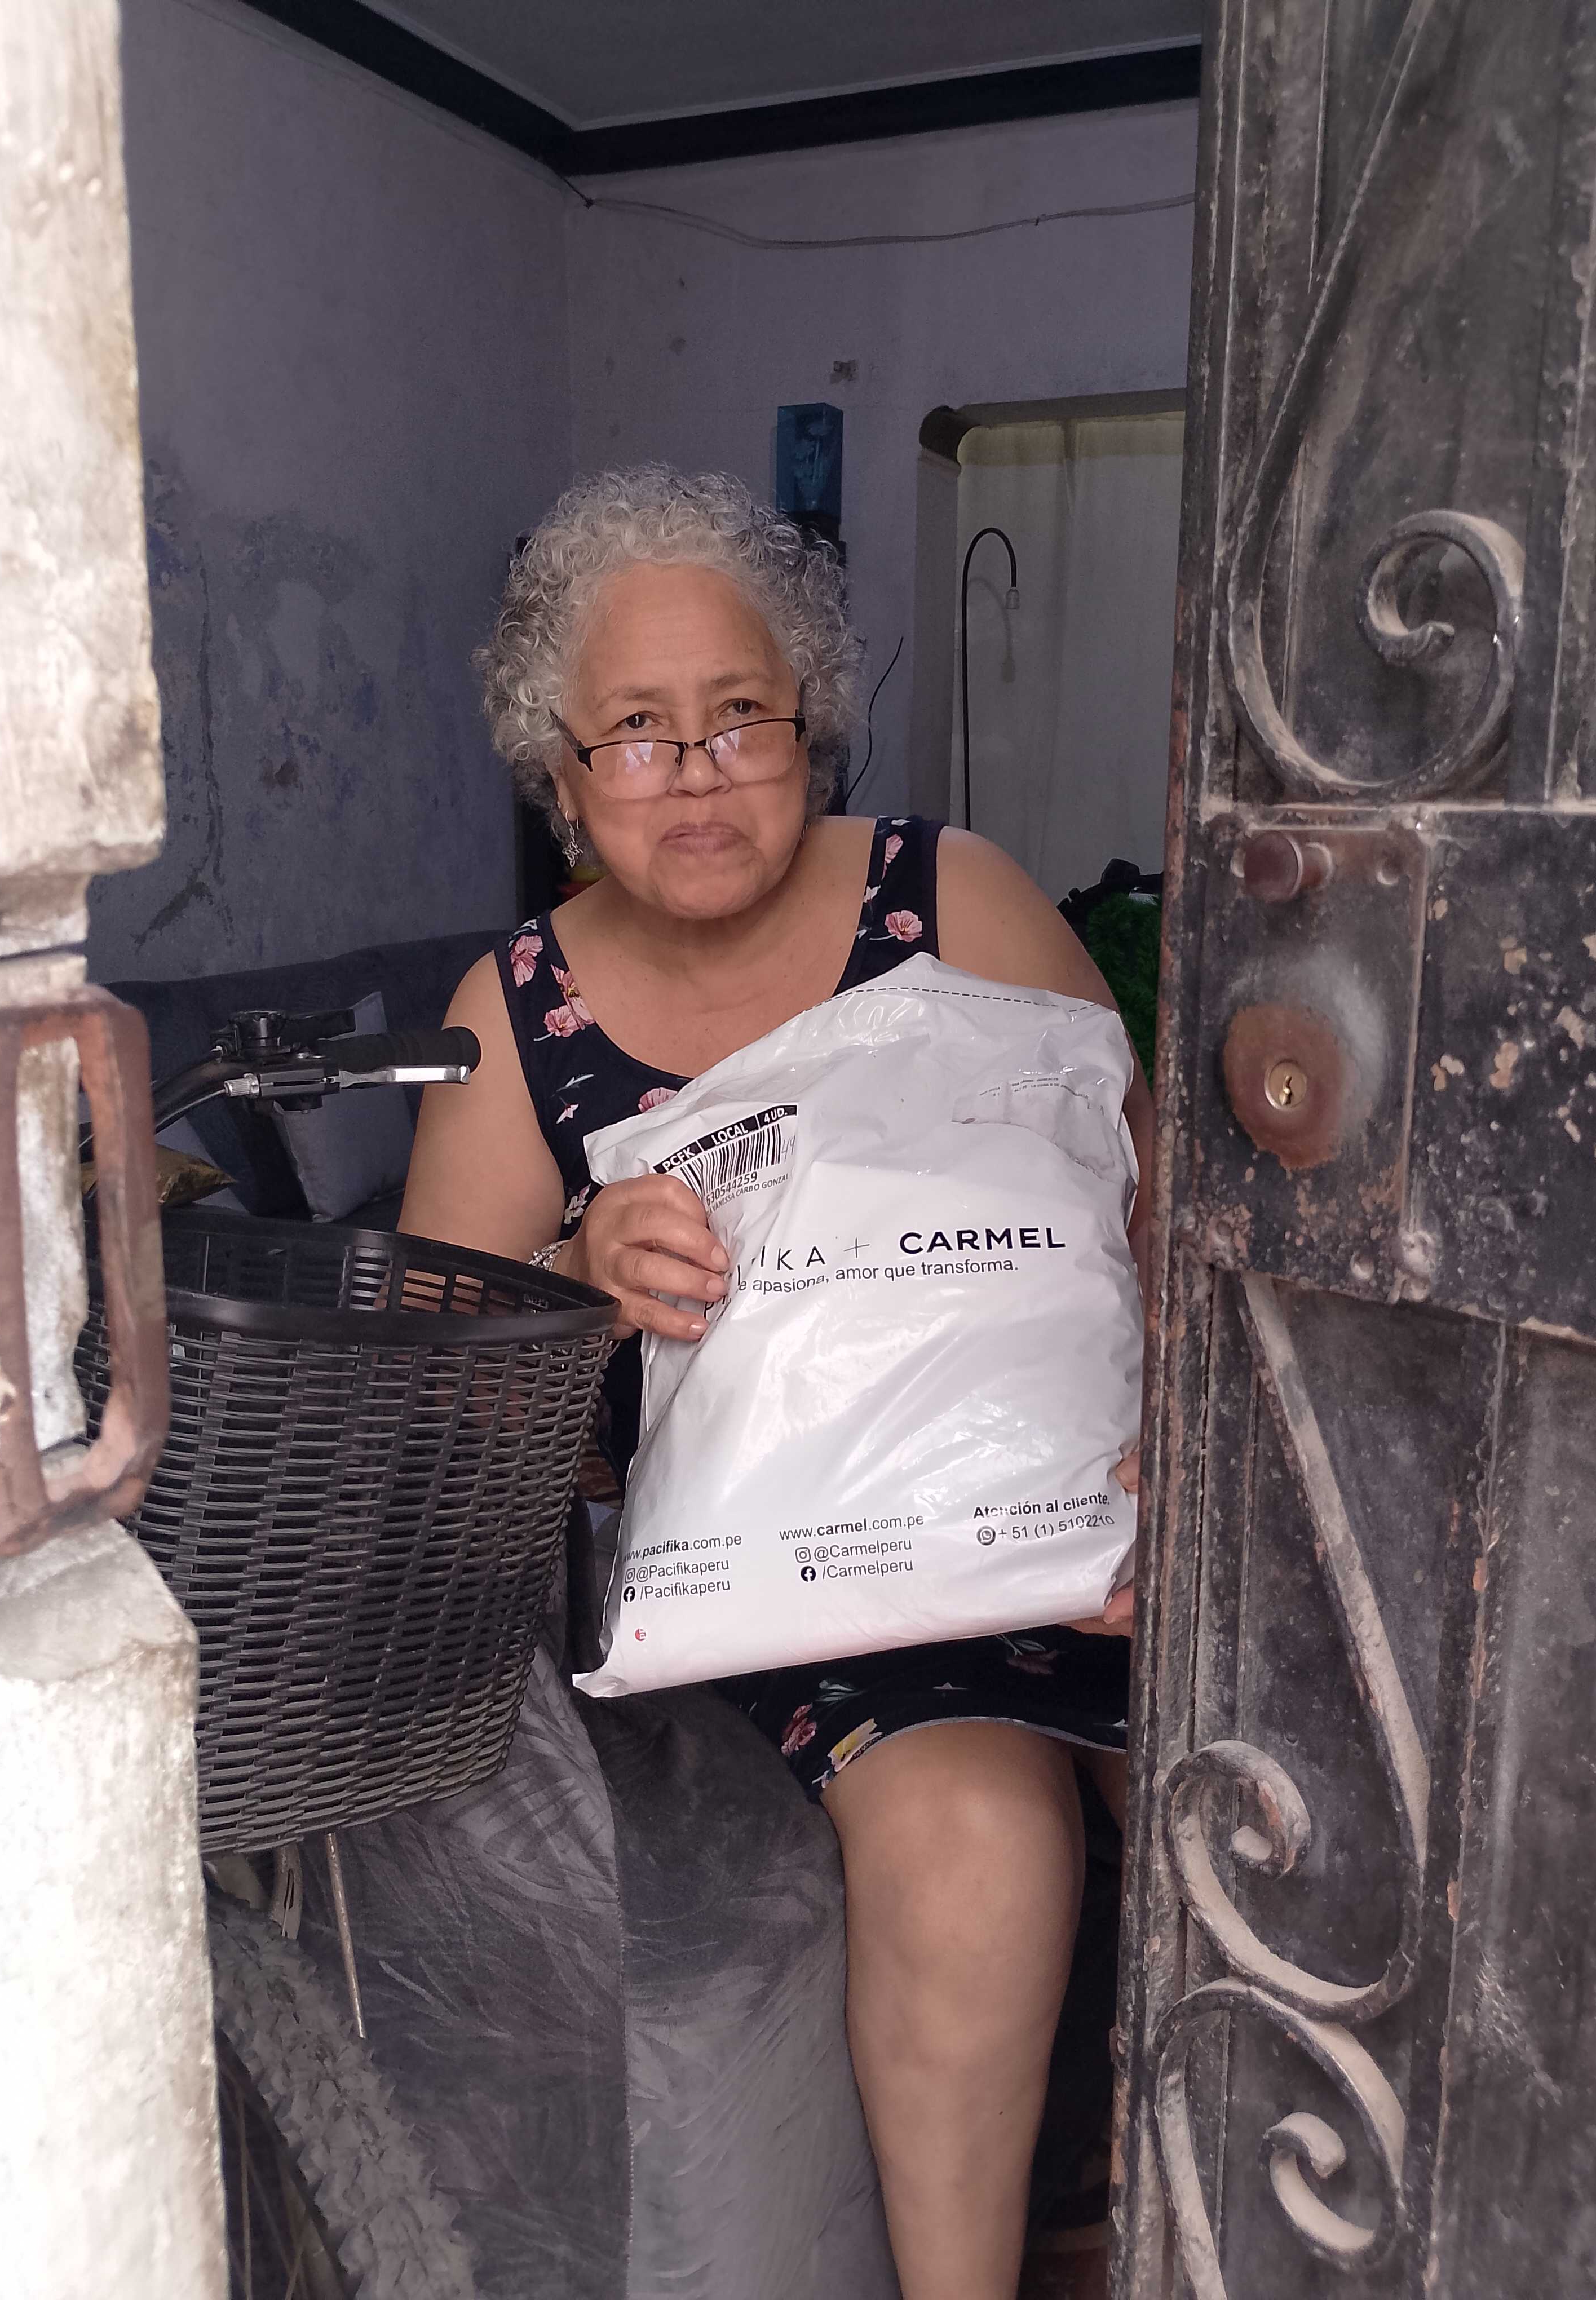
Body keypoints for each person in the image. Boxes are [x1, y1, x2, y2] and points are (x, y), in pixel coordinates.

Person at [400, 465, 1150, 2300]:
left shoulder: (949, 898)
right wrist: (575, 1281)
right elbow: (436, 1401)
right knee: (975, 1832)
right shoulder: (515, 1010)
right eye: (639, 734)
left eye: (741, 715)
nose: (699, 774)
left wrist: (1175, 1456)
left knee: (1280, 1775)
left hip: (1077, 1522)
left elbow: (1153, 1214)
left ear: (809, 721)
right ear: (562, 771)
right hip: (791, 1580)